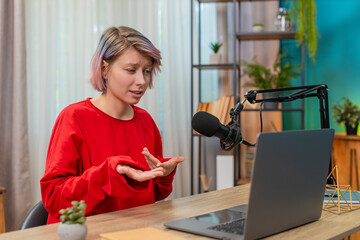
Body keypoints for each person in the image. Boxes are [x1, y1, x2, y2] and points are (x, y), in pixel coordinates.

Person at [40, 26, 185, 224]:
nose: (142, 81)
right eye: (131, 70)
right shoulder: (74, 117)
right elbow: (54, 199)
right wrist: (107, 174)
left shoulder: (146, 122)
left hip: (135, 231)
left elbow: (153, 196)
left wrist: (163, 176)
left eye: (147, 71)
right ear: (104, 69)